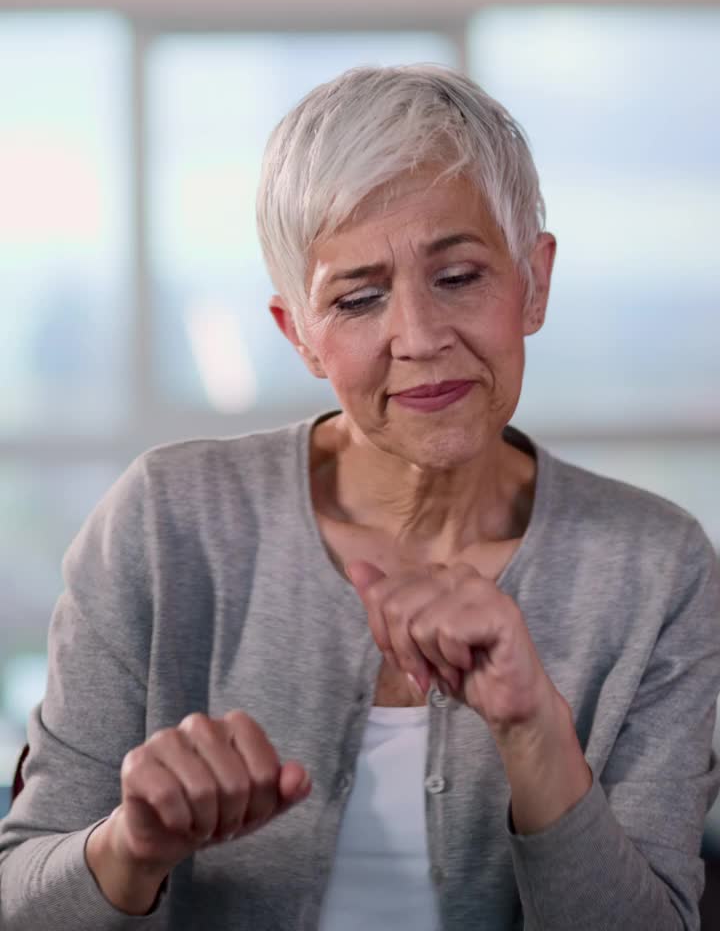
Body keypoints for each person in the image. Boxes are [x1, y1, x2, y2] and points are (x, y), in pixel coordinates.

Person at [0, 63, 718, 930]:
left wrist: (536, 734)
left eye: (458, 277)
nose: (417, 337)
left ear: (534, 281)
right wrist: (129, 849)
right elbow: (20, 901)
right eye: (359, 298)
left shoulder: (659, 568)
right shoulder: (164, 522)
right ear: (298, 334)